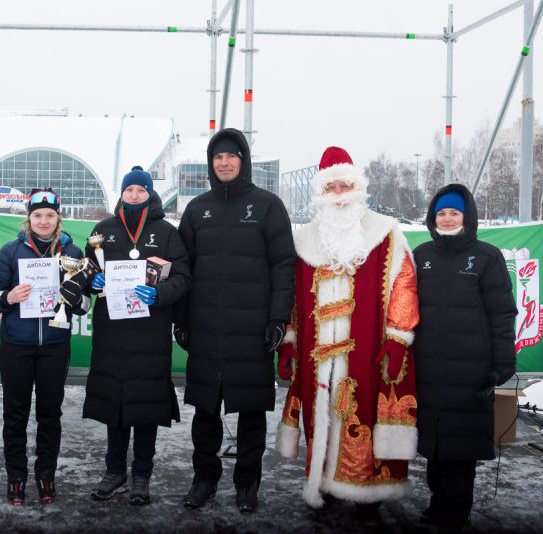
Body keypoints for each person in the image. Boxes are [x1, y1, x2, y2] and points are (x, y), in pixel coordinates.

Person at [275, 146, 419, 517]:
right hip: (316, 354)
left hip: (367, 349)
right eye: (331, 187)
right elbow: (290, 296)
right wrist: (289, 341)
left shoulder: (384, 234)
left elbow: (403, 284)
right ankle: (325, 484)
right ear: (320, 194)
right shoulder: (304, 240)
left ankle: (366, 493)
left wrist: (397, 338)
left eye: (344, 186)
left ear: (357, 189)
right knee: (320, 414)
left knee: (364, 411)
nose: (338, 194)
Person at [176, 129, 296, 513]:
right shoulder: (197, 210)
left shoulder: (268, 206)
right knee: (205, 413)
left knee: (251, 413)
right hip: (206, 329)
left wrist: (278, 319)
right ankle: (204, 480)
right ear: (210, 163)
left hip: (252, 332)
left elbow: (284, 265)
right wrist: (181, 319)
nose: (224, 162)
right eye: (217, 157)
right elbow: (182, 268)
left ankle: (247, 484)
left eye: (231, 156)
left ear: (243, 161)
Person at [83, 166, 191, 506]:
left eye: (140, 190)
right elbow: (87, 267)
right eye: (129, 190)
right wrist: (92, 281)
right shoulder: (104, 230)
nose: (134, 195)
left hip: (150, 333)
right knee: (114, 403)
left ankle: (142, 475)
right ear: (122, 194)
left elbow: (184, 278)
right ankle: (114, 471)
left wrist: (159, 294)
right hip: (112, 332)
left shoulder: (167, 232)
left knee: (146, 405)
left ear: (149, 194)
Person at [413, 184, 516, 529]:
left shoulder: (486, 257)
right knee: (434, 444)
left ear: (467, 216)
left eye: (454, 213)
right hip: (429, 368)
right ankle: (438, 505)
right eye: (441, 213)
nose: (446, 219)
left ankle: (455, 514)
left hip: (470, 370)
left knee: (460, 448)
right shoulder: (421, 255)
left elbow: (502, 313)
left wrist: (503, 363)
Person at [0, 188, 93, 506]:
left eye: (49, 215)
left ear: (58, 218)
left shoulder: (72, 252)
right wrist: (10, 297)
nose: (43, 221)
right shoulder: (10, 251)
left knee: (50, 415)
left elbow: (86, 305)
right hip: (16, 345)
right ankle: (16, 477)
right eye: (37, 215)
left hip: (55, 346)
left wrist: (73, 296)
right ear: (28, 219)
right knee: (15, 414)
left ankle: (46, 475)